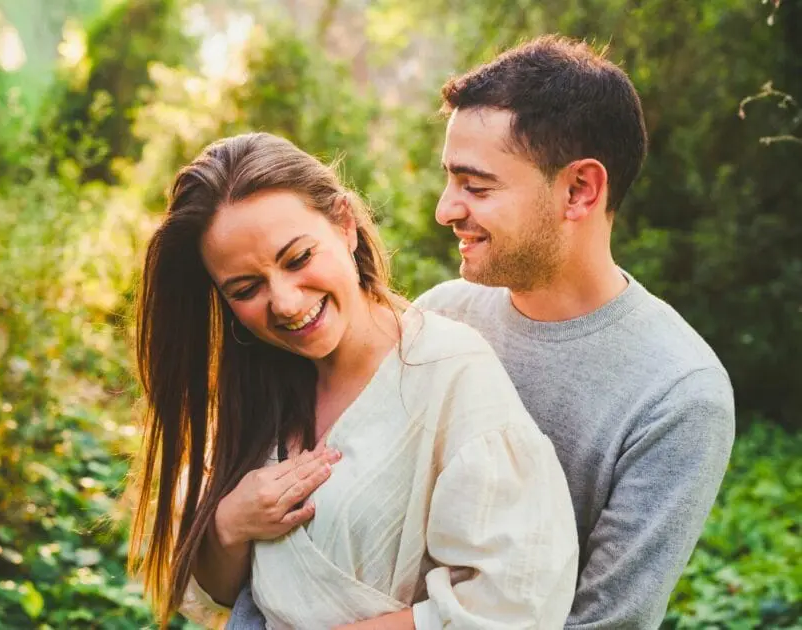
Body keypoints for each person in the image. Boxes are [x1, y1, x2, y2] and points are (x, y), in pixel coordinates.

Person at [127, 131, 579, 630]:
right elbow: (224, 595)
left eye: (298, 259)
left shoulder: (450, 374)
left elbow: (516, 601)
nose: (286, 303)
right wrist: (230, 524)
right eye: (247, 289)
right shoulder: (261, 384)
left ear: (345, 225)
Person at [414, 36, 736, 628]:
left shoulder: (679, 394)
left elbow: (604, 623)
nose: (445, 209)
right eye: (451, 181)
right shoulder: (438, 319)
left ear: (579, 190)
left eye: (475, 186)